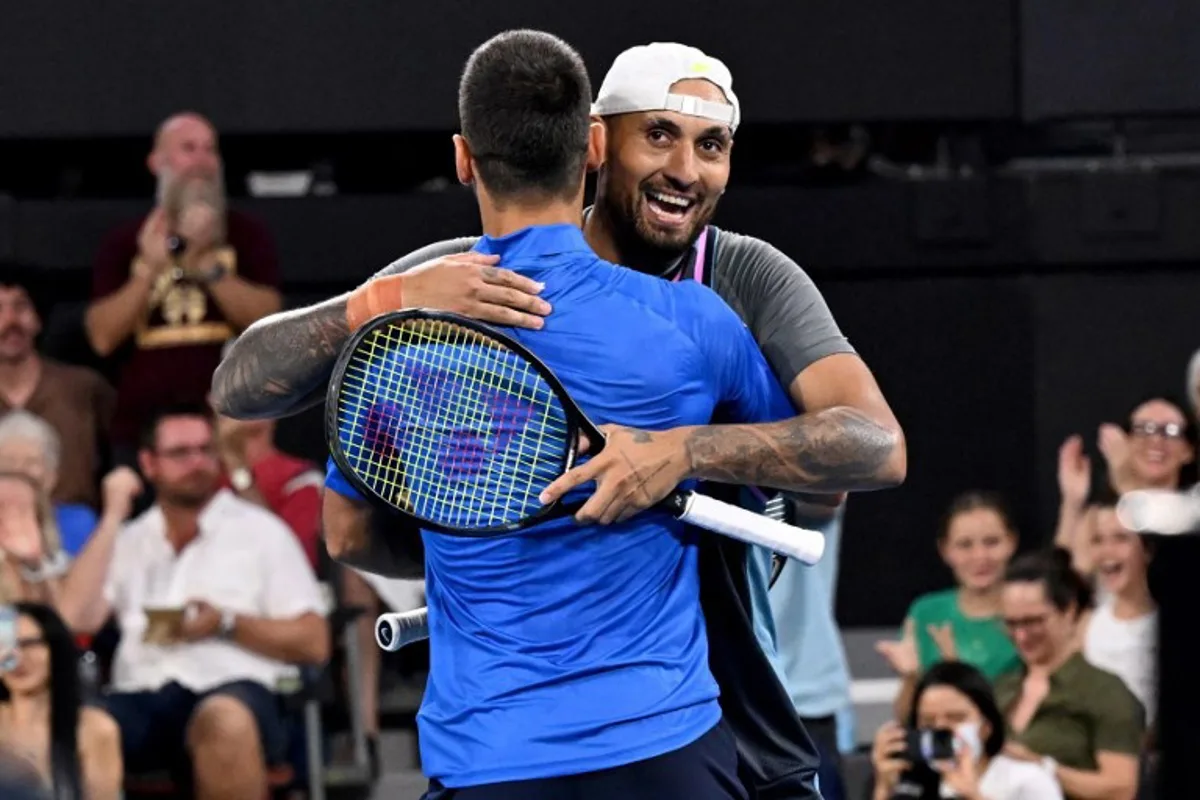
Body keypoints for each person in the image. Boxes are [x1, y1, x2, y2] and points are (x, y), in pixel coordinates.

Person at [215, 39, 906, 798]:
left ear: (464, 159)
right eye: (661, 136)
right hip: (666, 737)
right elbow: (244, 384)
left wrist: (682, 452)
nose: (685, 169)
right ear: (597, 145)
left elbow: (864, 458)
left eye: (712, 146)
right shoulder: (448, 292)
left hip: (707, 717)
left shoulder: (746, 276)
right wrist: (387, 299)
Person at [65, 405, 329, 799]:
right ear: (148, 463)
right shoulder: (131, 539)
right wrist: (113, 515)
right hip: (142, 695)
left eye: (206, 450)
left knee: (224, 720)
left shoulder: (260, 531)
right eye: (181, 453)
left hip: (234, 690)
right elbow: (74, 619)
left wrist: (226, 624)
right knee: (84, 727)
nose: (197, 462)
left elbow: (315, 641)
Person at [86, 112, 282, 457]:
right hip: (142, 432)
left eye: (210, 150)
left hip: (231, 425)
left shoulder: (247, 234)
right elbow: (102, 338)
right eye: (188, 149)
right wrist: (148, 271)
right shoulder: (123, 241)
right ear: (155, 162)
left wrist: (208, 266)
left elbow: (269, 324)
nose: (201, 162)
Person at [995, 549, 1142, 800]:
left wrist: (1044, 768)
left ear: (1069, 611)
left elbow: (1121, 787)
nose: (1021, 636)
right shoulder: (1001, 686)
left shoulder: (1105, 692)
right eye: (1011, 623)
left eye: (1033, 622)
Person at [877, 491, 1021, 718]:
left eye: (992, 542)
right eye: (965, 545)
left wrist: (955, 673)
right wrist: (911, 678)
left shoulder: (1027, 614)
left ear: (1012, 542)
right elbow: (906, 718)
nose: (980, 556)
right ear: (945, 550)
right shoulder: (926, 612)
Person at [0, 263, 115, 509]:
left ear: (38, 318)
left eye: (20, 306)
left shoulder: (83, 387)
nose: (10, 320)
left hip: (76, 529)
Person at [871, 661, 1063, 800]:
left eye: (956, 718)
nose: (940, 730)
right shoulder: (912, 785)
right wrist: (883, 791)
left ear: (986, 727)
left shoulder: (1026, 780)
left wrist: (974, 796)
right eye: (928, 722)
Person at [0, 602, 122, 798]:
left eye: (30, 644)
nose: (18, 658)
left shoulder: (95, 729)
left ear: (56, 650)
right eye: (6, 647)